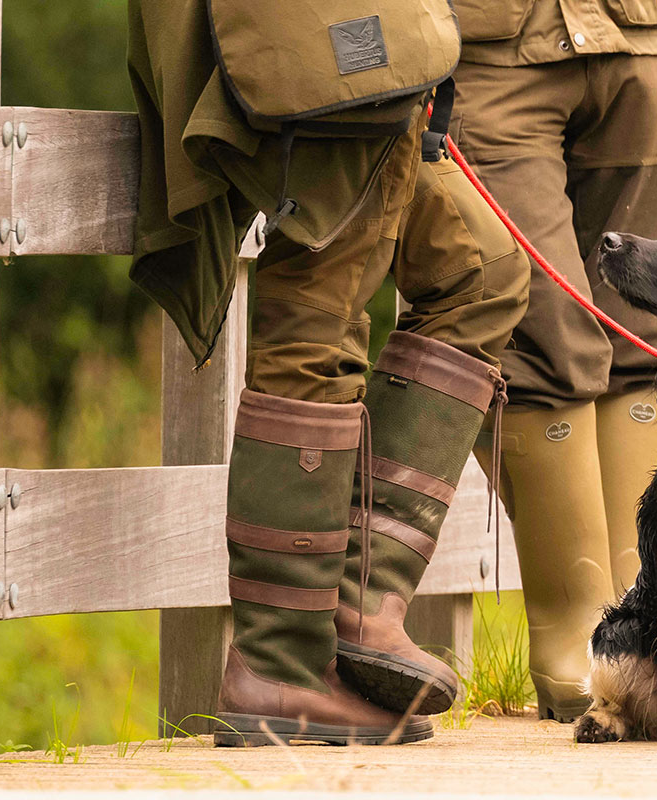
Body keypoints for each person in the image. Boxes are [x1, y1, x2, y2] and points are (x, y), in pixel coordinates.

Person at [129, 0, 526, 745]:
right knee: (319, 317)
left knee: (485, 269)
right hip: (318, 43)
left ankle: (359, 606)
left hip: (384, 50)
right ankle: (278, 666)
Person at [448, 0, 657, 721]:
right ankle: (577, 633)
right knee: (539, 330)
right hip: (491, 48)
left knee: (646, 332)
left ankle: (651, 631)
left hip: (639, 33)